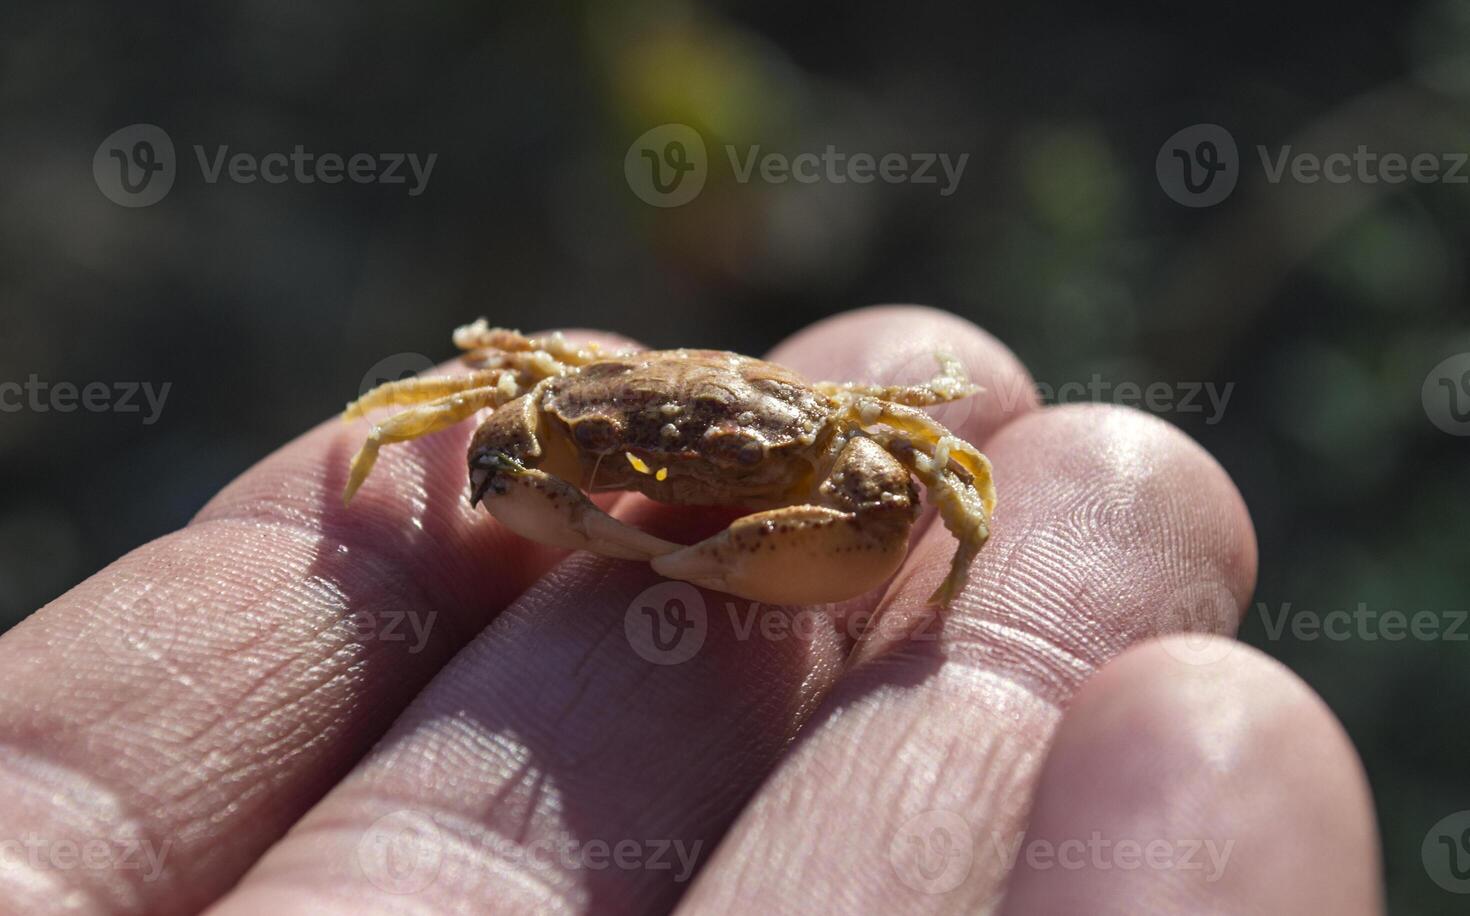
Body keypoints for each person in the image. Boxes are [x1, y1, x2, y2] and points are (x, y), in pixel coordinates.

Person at [0, 307, 1381, 914]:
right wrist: (557, 496)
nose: (674, 482)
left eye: (709, 471)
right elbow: (461, 437)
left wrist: (941, 577)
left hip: (792, 463)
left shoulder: (847, 441)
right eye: (634, 463)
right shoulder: (553, 398)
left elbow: (943, 482)